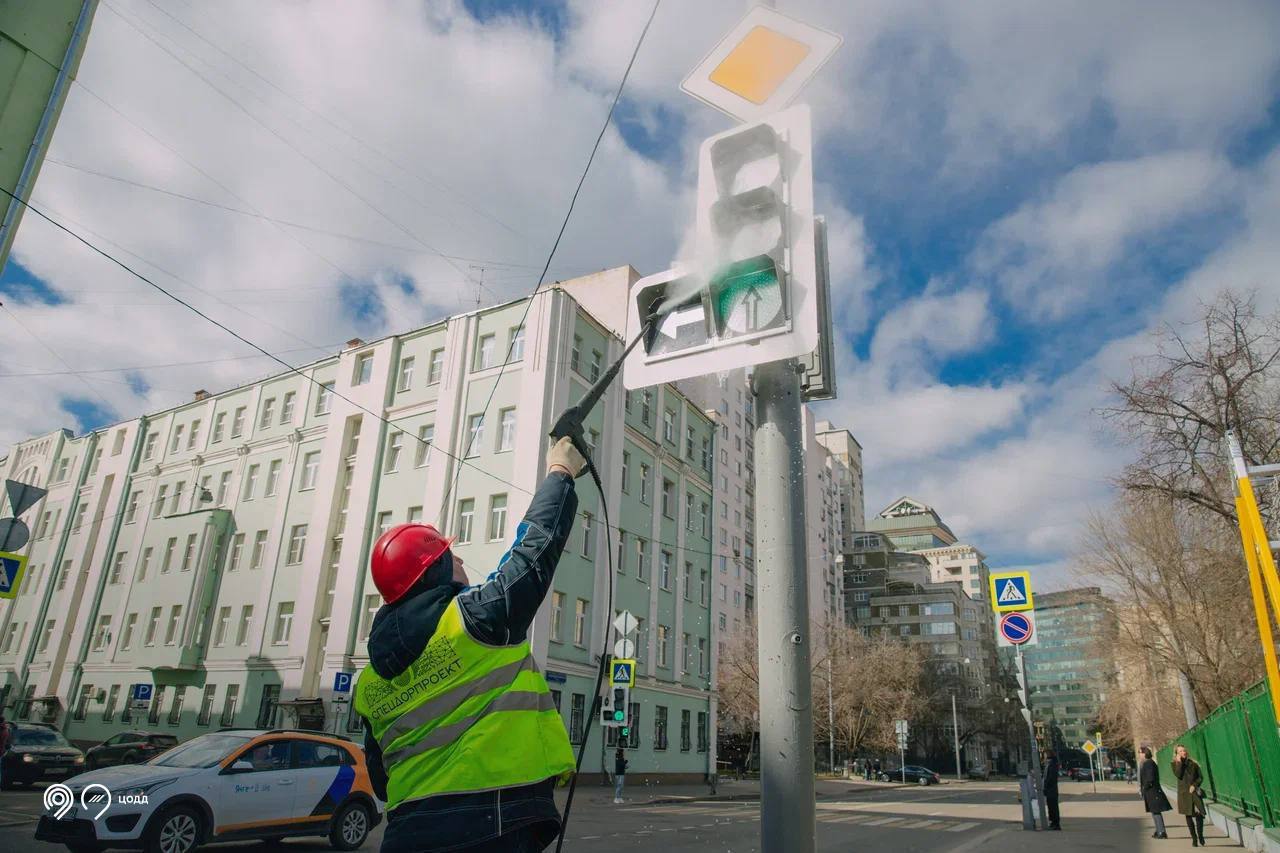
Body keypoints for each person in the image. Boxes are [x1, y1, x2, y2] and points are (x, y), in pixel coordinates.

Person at [355, 437, 587, 853]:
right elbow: (533, 550)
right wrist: (561, 473)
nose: (460, 560)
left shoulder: (369, 682)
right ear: (437, 571)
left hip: (405, 834)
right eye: (451, 555)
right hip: (490, 824)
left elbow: (381, 779)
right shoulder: (473, 620)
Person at [1172, 744, 1207, 846]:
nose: (1183, 752)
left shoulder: (1193, 764)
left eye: (1184, 750)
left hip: (1194, 793)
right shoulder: (1174, 764)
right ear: (1176, 754)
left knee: (1199, 815)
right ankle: (1194, 838)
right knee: (1188, 816)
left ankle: (1200, 835)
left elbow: (1200, 777)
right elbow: (1178, 774)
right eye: (1180, 751)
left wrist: (1194, 785)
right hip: (1184, 794)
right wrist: (1179, 763)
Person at [1139, 746, 1172, 839]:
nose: (1139, 755)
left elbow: (1150, 778)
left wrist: (1145, 788)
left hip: (1153, 791)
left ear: (1145, 753)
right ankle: (1159, 830)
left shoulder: (1148, 763)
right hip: (1151, 792)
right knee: (1154, 812)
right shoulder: (1147, 763)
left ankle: (1162, 832)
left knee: (1156, 812)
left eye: (1140, 753)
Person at [1043, 750, 1061, 830]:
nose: (1044, 756)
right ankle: (1053, 823)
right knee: (1051, 806)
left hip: (1051, 789)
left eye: (1045, 755)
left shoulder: (1052, 764)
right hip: (1051, 789)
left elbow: (1051, 778)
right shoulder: (1050, 764)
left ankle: (1055, 824)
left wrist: (1046, 786)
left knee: (1053, 807)